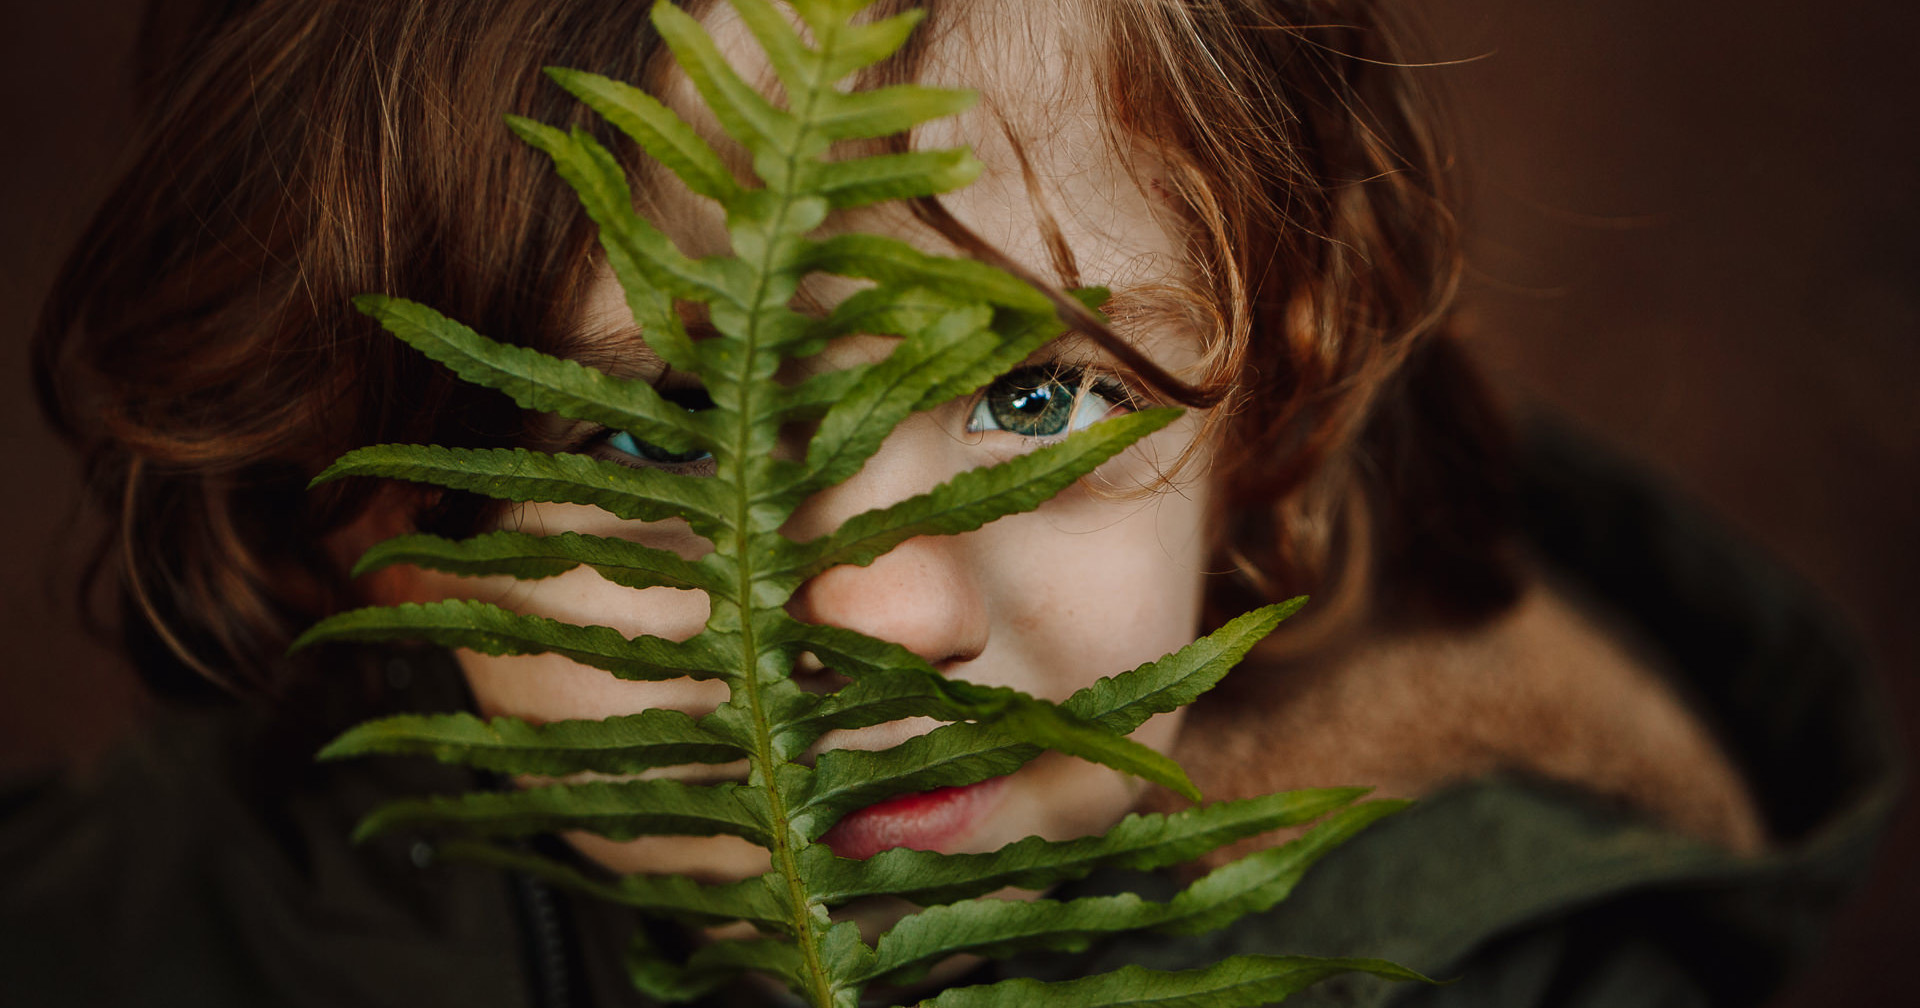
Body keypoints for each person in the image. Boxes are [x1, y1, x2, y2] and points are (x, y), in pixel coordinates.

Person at [8, 0, 1894, 1005]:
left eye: (1027, 393)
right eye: (659, 442)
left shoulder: (1513, 956)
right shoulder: (140, 930)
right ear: (370, 512)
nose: (887, 617)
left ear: (1269, 410)